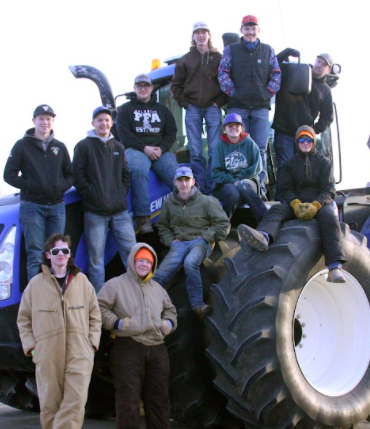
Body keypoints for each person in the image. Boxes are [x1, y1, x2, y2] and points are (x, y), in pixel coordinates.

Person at [17, 233, 101, 429]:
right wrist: (32, 347)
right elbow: (23, 319)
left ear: (70, 255)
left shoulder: (82, 282)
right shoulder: (35, 285)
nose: (61, 256)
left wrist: (92, 343)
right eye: (56, 252)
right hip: (47, 352)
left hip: (79, 350)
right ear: (48, 256)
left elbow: (95, 316)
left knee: (75, 403)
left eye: (65, 251)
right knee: (50, 406)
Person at [98, 243, 181, 429]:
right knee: (128, 398)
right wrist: (118, 323)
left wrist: (168, 325)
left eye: (148, 261)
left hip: (156, 346)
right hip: (128, 346)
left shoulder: (158, 289)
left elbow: (171, 310)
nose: (144, 264)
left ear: (152, 265)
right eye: (140, 260)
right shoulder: (114, 285)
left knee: (159, 398)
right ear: (133, 261)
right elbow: (99, 308)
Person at [238, 125, 346, 283]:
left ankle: (334, 267)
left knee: (329, 217)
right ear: (297, 142)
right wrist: (295, 203)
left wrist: (316, 204)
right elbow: (284, 189)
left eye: (309, 139)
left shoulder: (324, 163)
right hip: (296, 202)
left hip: (319, 203)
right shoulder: (289, 164)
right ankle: (264, 237)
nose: (305, 142)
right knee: (276, 210)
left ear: (314, 141)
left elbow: (329, 190)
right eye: (302, 139)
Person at [4, 105, 73, 282]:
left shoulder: (60, 147)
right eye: (41, 118)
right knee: (35, 253)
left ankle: (57, 295)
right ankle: (35, 300)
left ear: (53, 122)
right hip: (32, 206)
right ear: (33, 121)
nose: (45, 122)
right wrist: (29, 186)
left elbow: (70, 174)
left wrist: (60, 187)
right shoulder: (22, 146)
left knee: (57, 253)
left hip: (56, 206)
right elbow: (9, 174)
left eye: (48, 119)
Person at [73, 106, 137, 292]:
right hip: (95, 214)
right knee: (96, 261)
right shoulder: (83, 146)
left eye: (107, 120)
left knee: (131, 254)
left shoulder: (118, 147)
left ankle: (138, 295)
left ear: (111, 123)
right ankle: (98, 304)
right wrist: (93, 196)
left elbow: (126, 175)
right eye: (100, 120)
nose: (104, 123)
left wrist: (119, 194)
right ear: (93, 123)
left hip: (120, 212)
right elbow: (78, 177)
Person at [154, 166, 230, 318]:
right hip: (178, 244)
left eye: (187, 180)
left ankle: (198, 306)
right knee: (158, 276)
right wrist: (171, 241)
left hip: (199, 242)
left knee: (190, 263)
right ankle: (147, 308)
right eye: (180, 180)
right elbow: (162, 226)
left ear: (193, 181)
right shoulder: (169, 203)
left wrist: (206, 237)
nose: (184, 184)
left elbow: (223, 224)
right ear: (175, 182)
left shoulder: (206, 201)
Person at [218, 15, 281, 195]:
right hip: (238, 109)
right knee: (237, 147)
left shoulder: (268, 50)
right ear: (241, 30)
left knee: (260, 148)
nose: (250, 31)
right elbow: (222, 73)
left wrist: (267, 93)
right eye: (247, 28)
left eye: (253, 28)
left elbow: (276, 74)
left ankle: (259, 188)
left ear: (258, 30)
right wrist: (233, 92)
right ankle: (236, 188)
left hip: (261, 108)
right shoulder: (231, 50)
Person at [116, 73, 178, 234]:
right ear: (135, 88)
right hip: (135, 149)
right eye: (140, 86)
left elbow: (171, 132)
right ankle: (143, 218)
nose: (143, 89)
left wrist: (162, 148)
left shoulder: (163, 110)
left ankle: (190, 209)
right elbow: (124, 134)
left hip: (160, 150)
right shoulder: (125, 109)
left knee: (177, 174)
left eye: (146, 86)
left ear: (151, 88)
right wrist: (144, 148)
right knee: (137, 170)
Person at [170, 21, 227, 195]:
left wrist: (219, 101)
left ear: (209, 35)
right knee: (195, 152)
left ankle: (213, 188)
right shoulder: (185, 60)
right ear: (193, 37)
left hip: (212, 107)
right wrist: (186, 104)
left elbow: (228, 83)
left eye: (204, 32)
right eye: (197, 32)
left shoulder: (219, 58)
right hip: (193, 108)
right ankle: (200, 189)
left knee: (214, 150)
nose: (201, 35)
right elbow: (175, 86)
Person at [273, 51, 334, 167]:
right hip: (284, 131)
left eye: (324, 64)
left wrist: (314, 130)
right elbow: (272, 65)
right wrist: (286, 52)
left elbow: (328, 117)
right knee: (285, 168)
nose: (319, 65)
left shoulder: (325, 90)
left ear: (328, 70)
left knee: (303, 171)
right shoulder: (295, 71)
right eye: (318, 61)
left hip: (304, 136)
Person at [211, 113, 268, 223]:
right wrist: (233, 180)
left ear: (242, 128)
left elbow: (257, 167)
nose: (233, 128)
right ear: (224, 129)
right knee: (233, 194)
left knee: (243, 186)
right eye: (230, 126)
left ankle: (265, 221)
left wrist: (240, 179)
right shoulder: (219, 146)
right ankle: (223, 226)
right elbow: (216, 172)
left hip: (249, 181)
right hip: (227, 183)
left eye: (237, 125)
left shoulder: (250, 143)